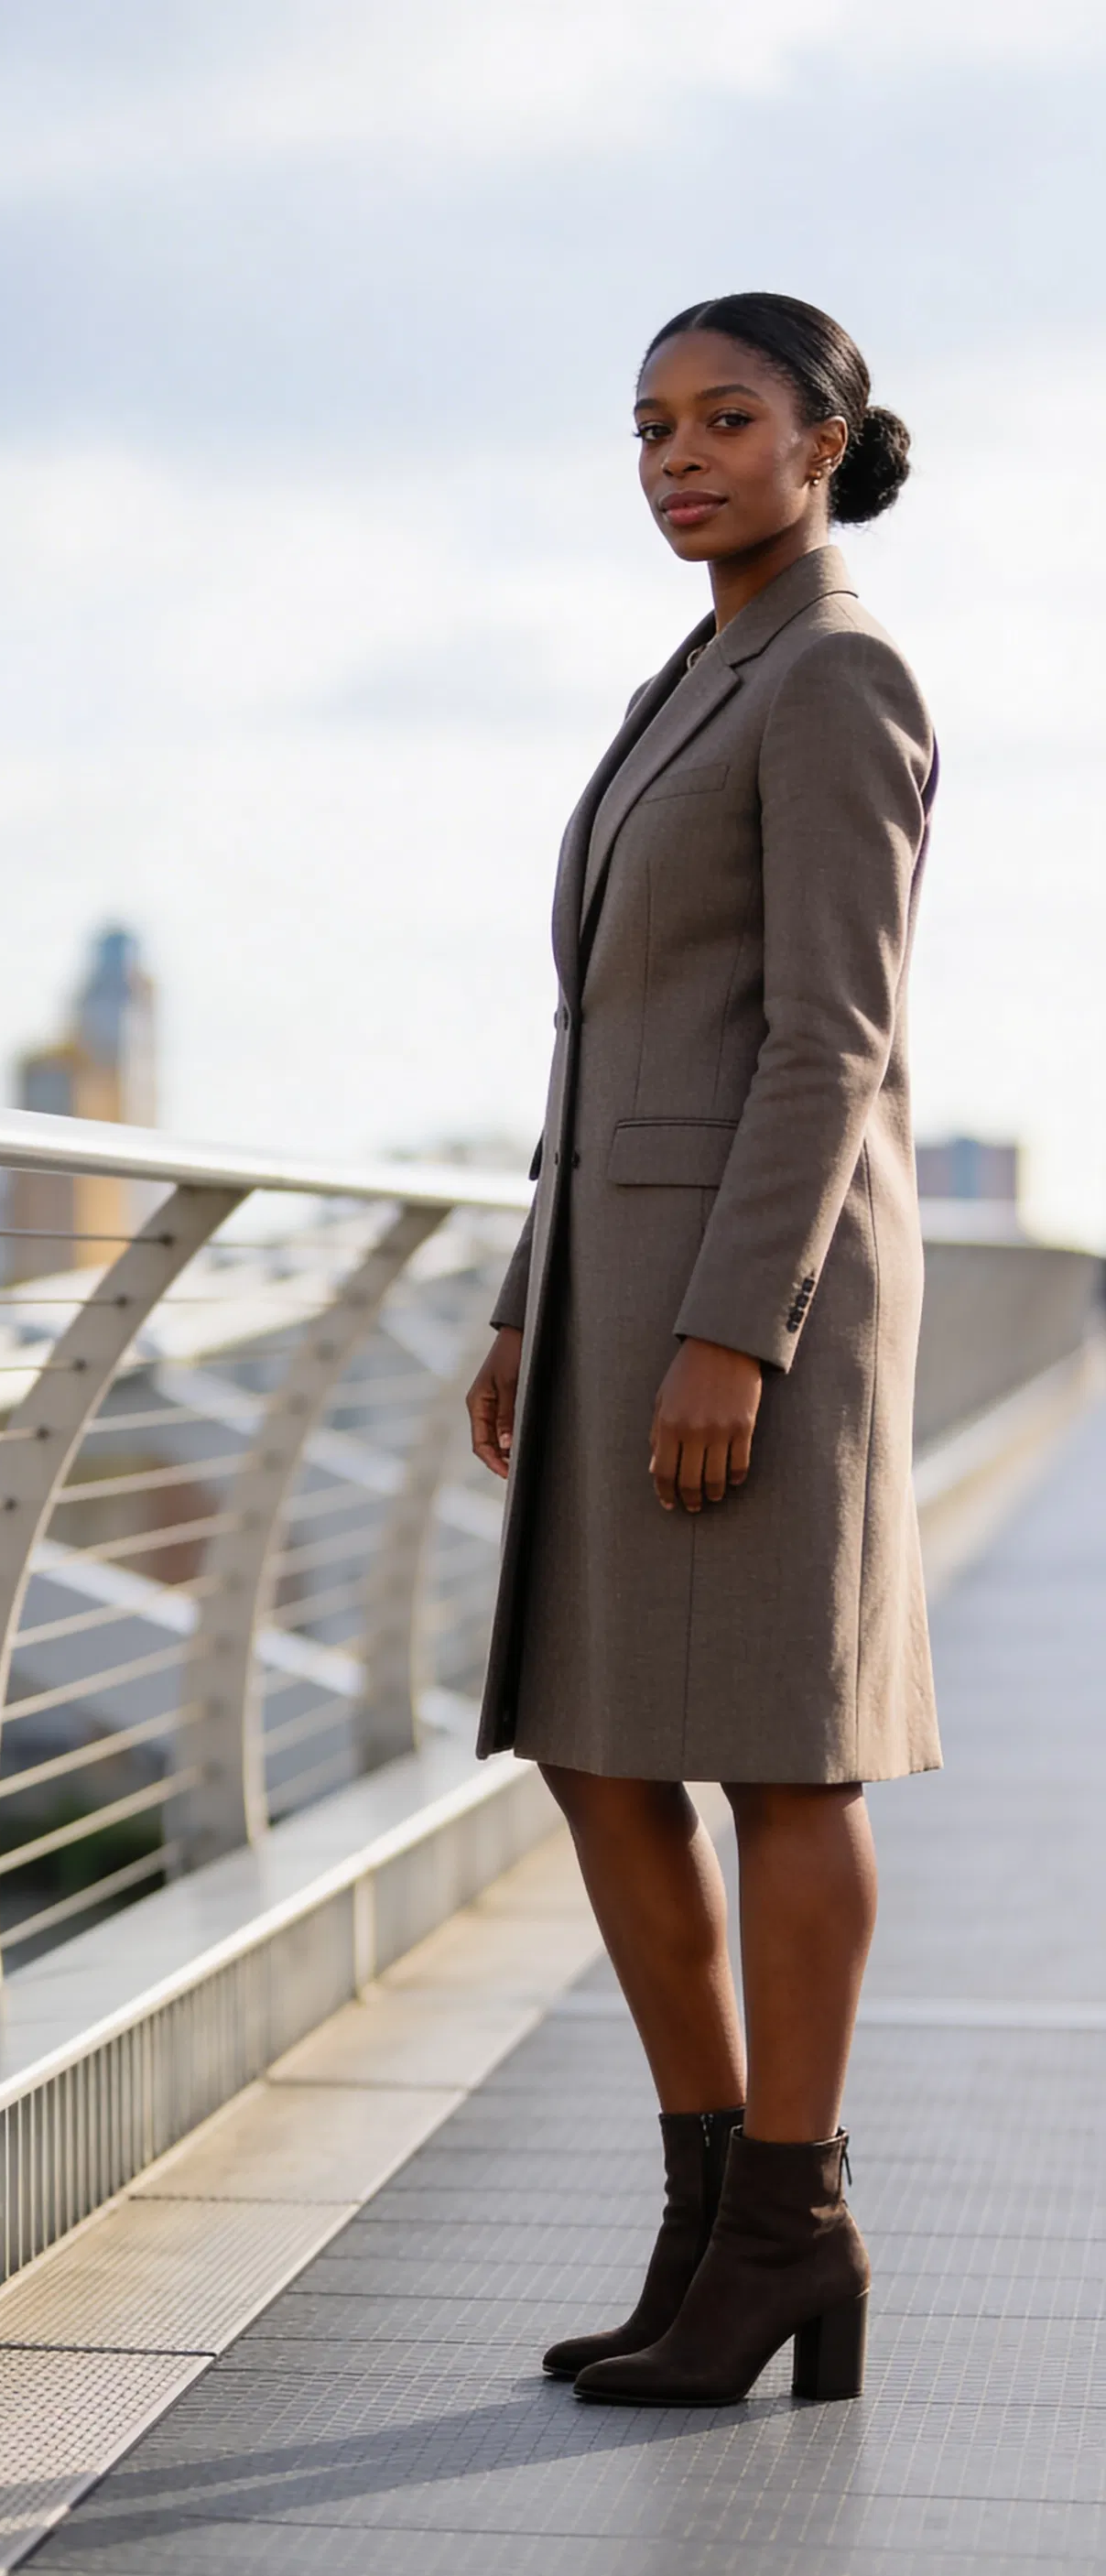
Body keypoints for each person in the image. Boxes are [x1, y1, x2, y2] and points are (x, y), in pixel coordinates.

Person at [465, 292, 938, 2408]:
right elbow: (616, 1036)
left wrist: (730, 1336)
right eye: (648, 424)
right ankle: (715, 2218)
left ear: (820, 441)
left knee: (776, 1755)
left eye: (725, 418)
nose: (675, 456)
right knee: (592, 1742)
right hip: (617, 1285)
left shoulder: (836, 672)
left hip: (759, 1300)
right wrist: (519, 1296)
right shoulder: (695, 670)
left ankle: (788, 2221)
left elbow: (829, 1038)